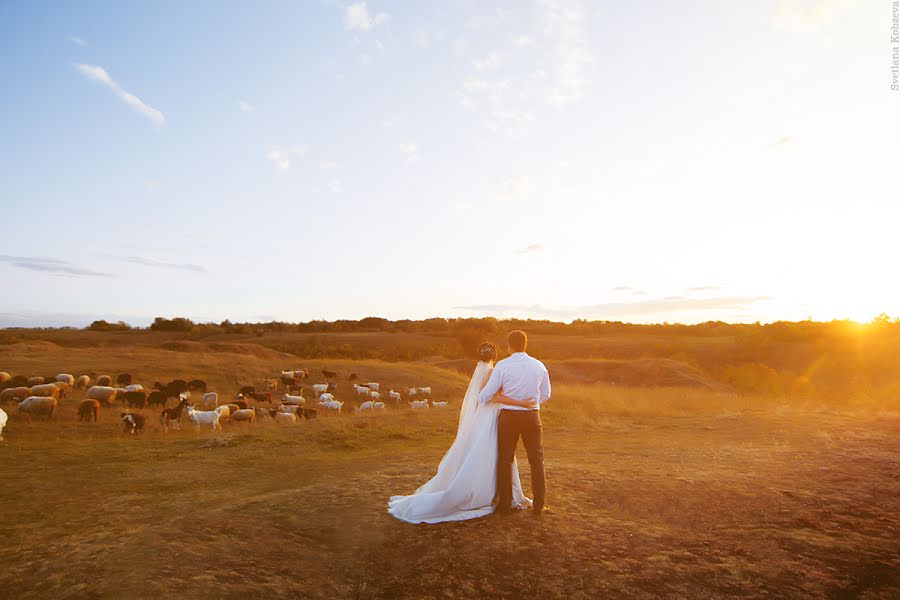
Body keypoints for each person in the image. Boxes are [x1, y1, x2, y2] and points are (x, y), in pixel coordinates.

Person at [387, 339, 534, 523]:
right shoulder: (492, 371)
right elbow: (488, 397)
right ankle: (493, 492)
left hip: (482, 416)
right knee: (495, 453)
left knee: (489, 452)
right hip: (491, 416)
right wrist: (517, 401)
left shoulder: (481, 369)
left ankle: (497, 492)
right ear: (495, 355)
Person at [477, 330, 551, 515]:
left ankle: (505, 504)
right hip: (532, 416)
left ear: (509, 346)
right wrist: (531, 403)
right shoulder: (539, 365)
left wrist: (489, 396)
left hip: (509, 418)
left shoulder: (503, 366)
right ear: (525, 344)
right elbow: (546, 394)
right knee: (536, 460)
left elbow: (485, 395)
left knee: (505, 460)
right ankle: (539, 504)